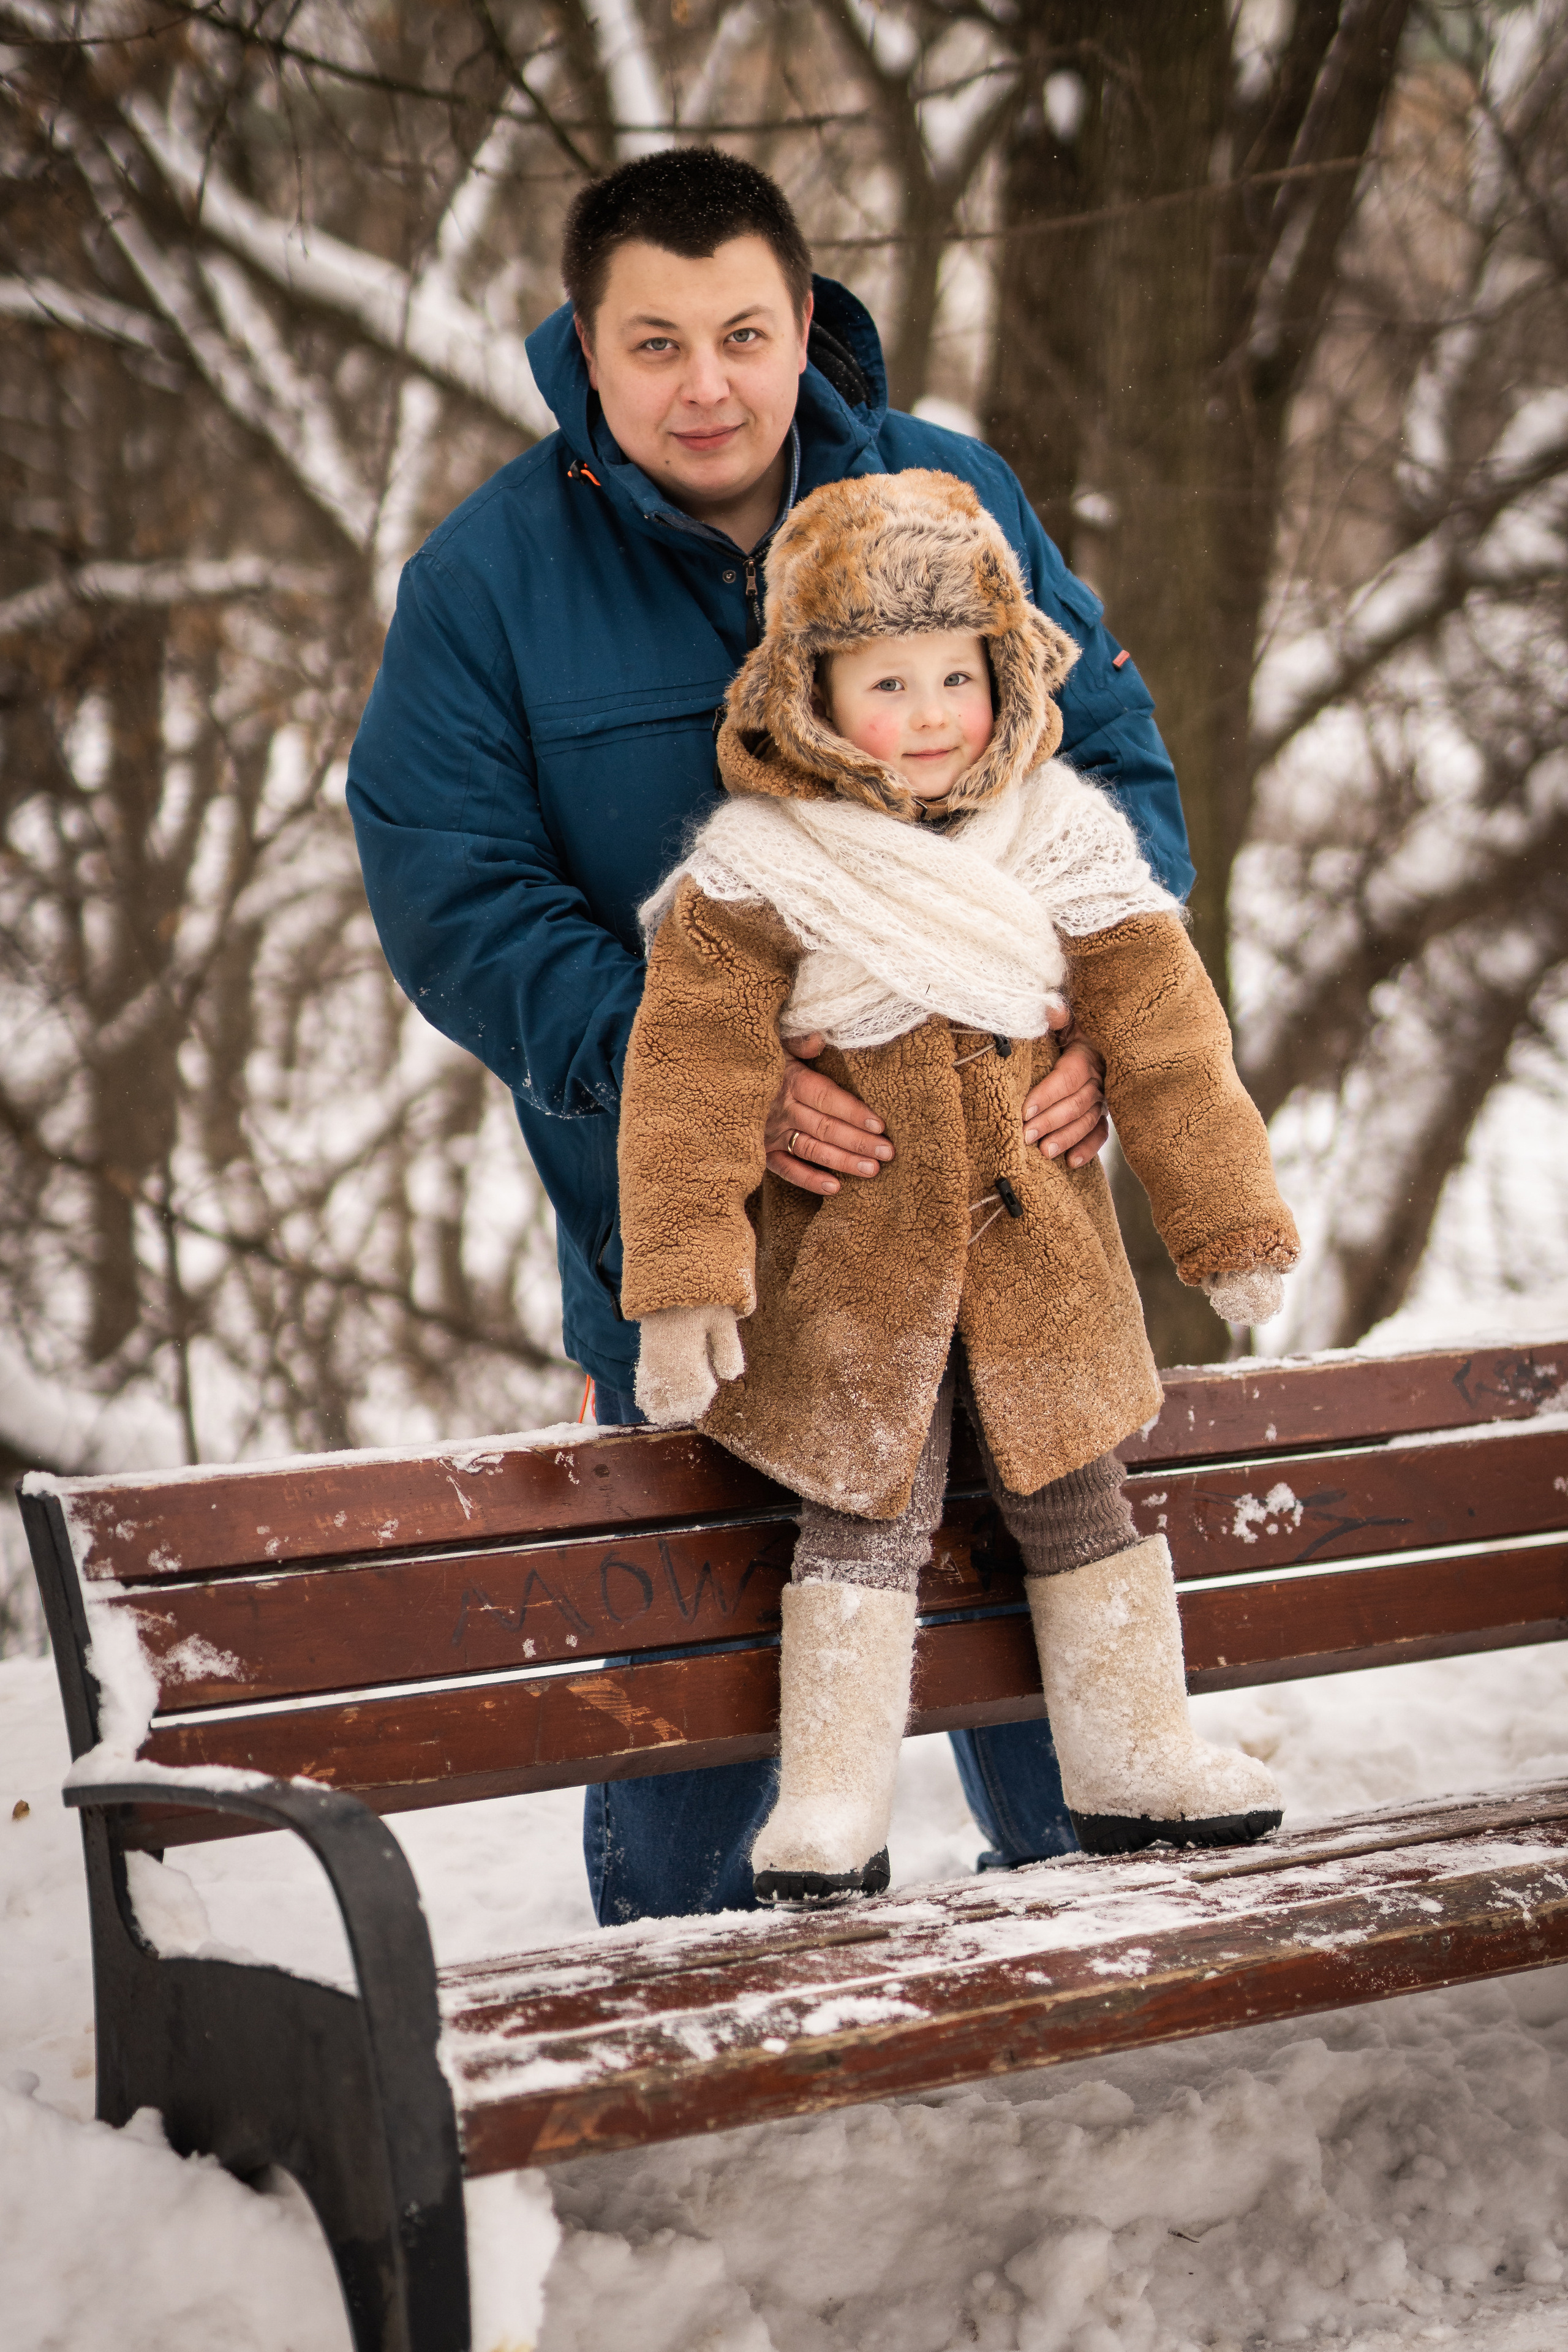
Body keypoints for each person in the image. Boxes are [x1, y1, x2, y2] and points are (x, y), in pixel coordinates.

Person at [346, 146, 1199, 1923]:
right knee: (702, 1760)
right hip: (704, 1278)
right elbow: (456, 898)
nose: (707, 382)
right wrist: (712, 1092)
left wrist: (1093, 1017)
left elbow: (1106, 764)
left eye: (743, 331)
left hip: (1003, 1244)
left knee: (1061, 1713)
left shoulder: (947, 497)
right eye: (654, 343)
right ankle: (676, 2083)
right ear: (585, 347)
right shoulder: (486, 582)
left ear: (805, 320)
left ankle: (1107, 2049)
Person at [619, 468, 1297, 1902]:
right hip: (857, 1280)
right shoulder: (756, 869)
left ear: (1004, 674)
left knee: (1079, 1499)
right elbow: (685, 1083)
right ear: (809, 695)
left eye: (954, 676)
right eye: (884, 682)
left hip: (1039, 1257)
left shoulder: (1062, 836)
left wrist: (1222, 1215)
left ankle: (1133, 1759)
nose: (927, 715)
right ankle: (832, 1802)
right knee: (861, 1520)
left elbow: (1168, 1040)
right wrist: (680, 1285)